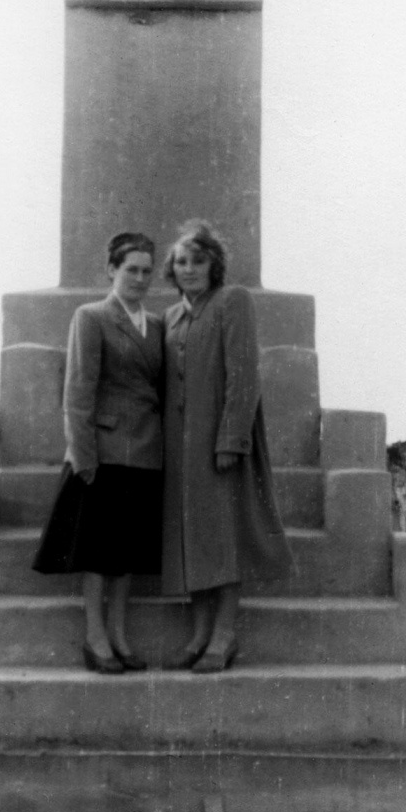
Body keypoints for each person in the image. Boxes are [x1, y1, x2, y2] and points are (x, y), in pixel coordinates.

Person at [32, 232, 163, 673]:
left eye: (147, 271)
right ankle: (95, 637)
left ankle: (120, 634)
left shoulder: (159, 325)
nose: (140, 279)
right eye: (131, 270)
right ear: (111, 270)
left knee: (127, 554)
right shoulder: (91, 317)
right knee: (98, 552)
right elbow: (78, 390)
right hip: (103, 452)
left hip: (146, 452)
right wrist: (82, 455)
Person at [161, 221, 288, 672]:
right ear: (171, 269)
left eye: (198, 260)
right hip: (179, 447)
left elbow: (244, 374)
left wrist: (231, 438)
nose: (189, 269)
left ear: (215, 264)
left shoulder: (232, 301)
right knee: (189, 537)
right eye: (181, 261)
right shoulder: (172, 318)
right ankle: (199, 631)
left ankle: (225, 633)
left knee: (222, 536)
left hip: (219, 442)